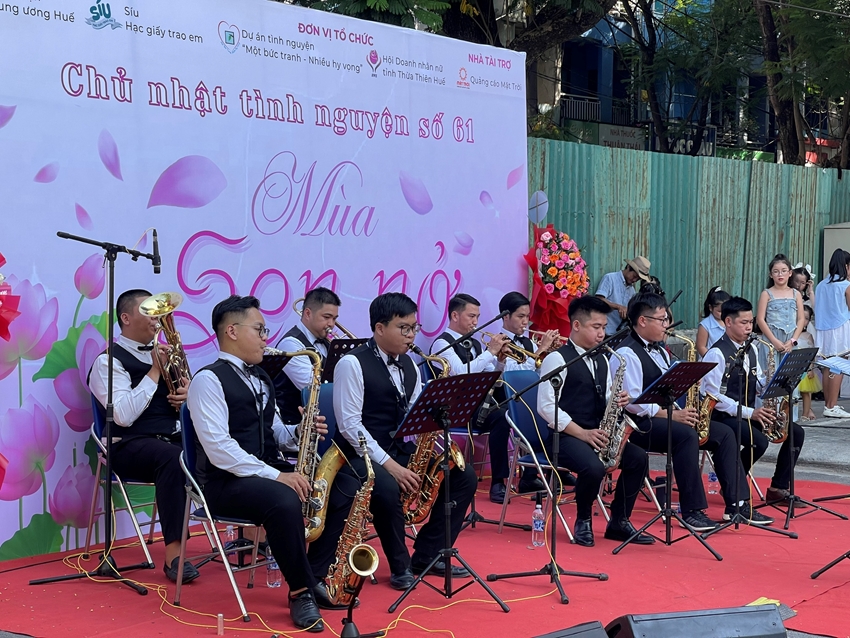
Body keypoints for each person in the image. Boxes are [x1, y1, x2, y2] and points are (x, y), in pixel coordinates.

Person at [187, 295, 359, 633]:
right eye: (260, 329)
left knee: (345, 487)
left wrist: (300, 431)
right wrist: (278, 474)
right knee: (282, 499)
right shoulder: (207, 380)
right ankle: (300, 592)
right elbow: (220, 449)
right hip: (222, 482)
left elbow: (274, 432)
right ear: (232, 331)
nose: (267, 337)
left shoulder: (262, 378)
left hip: (264, 472)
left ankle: (315, 575)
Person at [333, 292, 478, 591]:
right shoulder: (351, 364)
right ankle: (399, 565)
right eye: (404, 328)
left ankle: (428, 554)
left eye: (414, 328)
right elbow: (350, 426)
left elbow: (411, 416)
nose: (411, 335)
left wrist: (437, 416)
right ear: (379, 328)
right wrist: (393, 467)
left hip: (396, 447)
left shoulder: (411, 365)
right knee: (386, 486)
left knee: (463, 476)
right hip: (355, 455)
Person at [612, 293, 765, 531]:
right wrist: (672, 415)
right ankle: (692, 510)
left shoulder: (661, 350)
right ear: (643, 321)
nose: (667, 325)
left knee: (724, 433)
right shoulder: (626, 353)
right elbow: (632, 402)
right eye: (662, 320)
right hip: (639, 424)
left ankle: (737, 503)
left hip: (666, 416)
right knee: (685, 435)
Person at [89, 289, 194, 583]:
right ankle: (175, 557)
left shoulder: (164, 354)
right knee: (176, 460)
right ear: (126, 318)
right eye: (148, 312)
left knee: (219, 447)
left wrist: (188, 397)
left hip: (169, 439)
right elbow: (122, 415)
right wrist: (154, 373)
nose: (157, 318)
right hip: (128, 446)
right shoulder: (107, 362)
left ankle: (251, 538)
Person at [537, 295, 654, 547]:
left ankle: (619, 521)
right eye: (596, 327)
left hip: (597, 433)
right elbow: (546, 407)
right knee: (593, 468)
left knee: (639, 459)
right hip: (565, 437)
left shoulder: (602, 358)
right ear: (577, 326)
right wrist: (583, 433)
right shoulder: (556, 359)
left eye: (604, 327)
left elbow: (606, 393)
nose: (602, 334)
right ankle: (583, 519)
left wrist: (619, 398)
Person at [430, 293, 545, 504]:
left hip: (475, 405)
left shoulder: (473, 344)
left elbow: (496, 381)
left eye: (477, 316)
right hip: (451, 409)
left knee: (508, 415)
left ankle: (514, 477)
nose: (476, 322)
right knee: (501, 417)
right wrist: (490, 352)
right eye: (471, 316)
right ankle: (499, 482)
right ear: (455, 316)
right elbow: (461, 373)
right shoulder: (441, 344)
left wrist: (500, 361)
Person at [702, 297, 807, 506]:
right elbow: (711, 396)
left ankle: (778, 488)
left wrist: (773, 385)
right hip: (721, 416)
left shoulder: (753, 348)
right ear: (728, 322)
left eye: (751, 322)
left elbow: (757, 381)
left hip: (746, 413)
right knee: (757, 440)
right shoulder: (716, 353)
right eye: (744, 323)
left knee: (795, 432)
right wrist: (752, 413)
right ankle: (732, 483)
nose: (749, 327)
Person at [274, 287, 340, 425]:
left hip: (322, 424)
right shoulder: (290, 344)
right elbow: (312, 388)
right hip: (294, 430)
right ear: (308, 313)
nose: (332, 324)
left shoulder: (328, 342)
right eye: (326, 317)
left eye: (334, 319)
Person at [814, 249, 850, 418]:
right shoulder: (845, 285)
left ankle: (829, 405)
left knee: (828, 366)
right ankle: (832, 405)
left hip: (823, 329)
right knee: (839, 365)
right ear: (846, 266)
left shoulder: (821, 284)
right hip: (840, 328)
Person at [756, 254, 806, 359]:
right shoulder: (766, 294)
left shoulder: (796, 294)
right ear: (770, 275)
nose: (780, 274)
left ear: (790, 273)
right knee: (770, 374)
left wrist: (793, 341)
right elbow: (760, 319)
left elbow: (801, 319)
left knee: (789, 374)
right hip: (771, 343)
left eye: (784, 271)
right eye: (776, 271)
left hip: (790, 343)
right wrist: (774, 341)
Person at [497, 291, 559, 372]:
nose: (526, 322)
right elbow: (514, 373)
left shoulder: (530, 343)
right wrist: (542, 348)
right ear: (505, 316)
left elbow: (540, 372)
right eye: (521, 316)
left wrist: (550, 352)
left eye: (527, 316)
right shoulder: (496, 344)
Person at [595, 256, 652, 336]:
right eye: (634, 276)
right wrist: (618, 307)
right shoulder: (610, 278)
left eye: (638, 279)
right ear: (628, 267)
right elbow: (599, 299)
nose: (634, 280)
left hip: (620, 334)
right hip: (605, 332)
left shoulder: (632, 290)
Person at [797, 306, 821, 421]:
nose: (803, 320)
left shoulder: (808, 336)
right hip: (793, 368)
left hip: (805, 369)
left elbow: (812, 354)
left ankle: (805, 414)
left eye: (806, 318)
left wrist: (811, 368)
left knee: (806, 392)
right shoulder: (790, 334)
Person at [696, 287, 730, 357]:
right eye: (720, 311)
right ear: (711, 308)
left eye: (726, 311)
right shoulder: (705, 325)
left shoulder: (730, 322)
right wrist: (712, 359)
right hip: (711, 362)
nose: (723, 314)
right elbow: (701, 347)